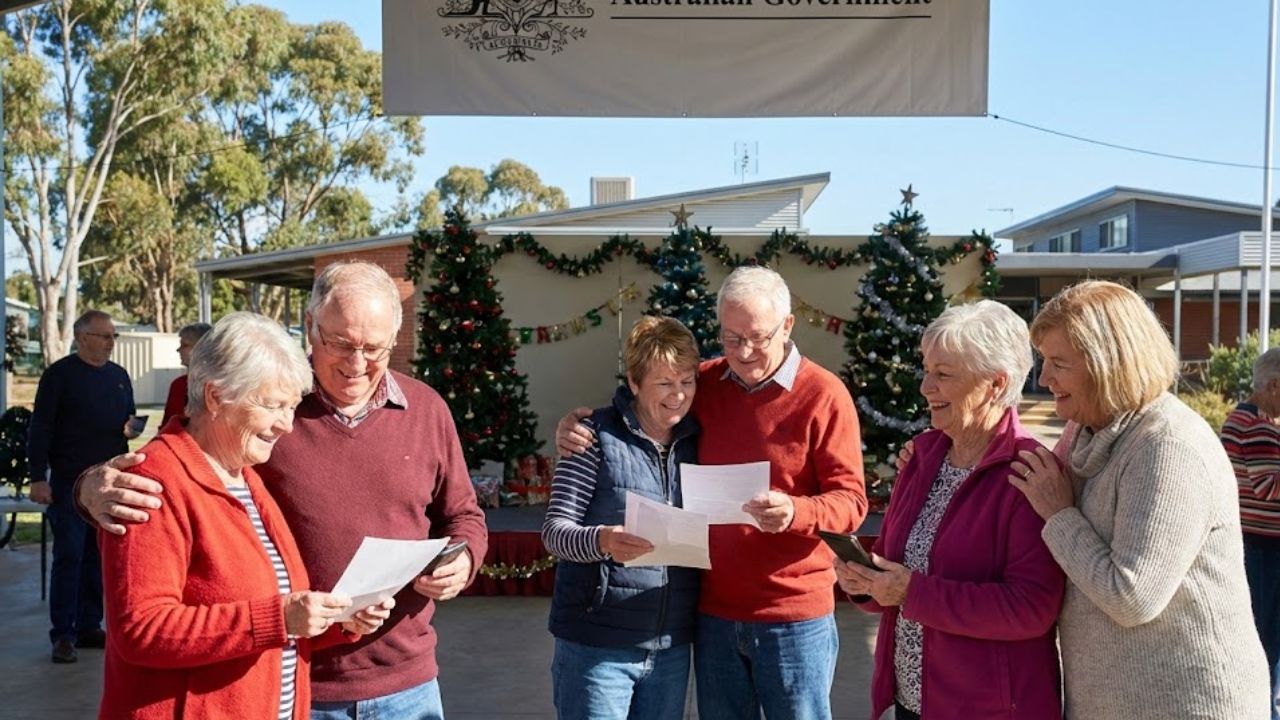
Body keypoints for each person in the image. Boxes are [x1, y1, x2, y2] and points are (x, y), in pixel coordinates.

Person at [78, 261, 489, 720]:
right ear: (311, 326)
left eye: (374, 349)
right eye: (341, 344)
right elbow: (145, 621)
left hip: (393, 680)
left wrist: (459, 560)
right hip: (291, 689)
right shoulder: (210, 454)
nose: (357, 364)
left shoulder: (251, 471)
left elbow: (463, 515)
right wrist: (85, 488)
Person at [559, 266, 866, 719]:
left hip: (793, 619)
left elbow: (853, 503)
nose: (743, 352)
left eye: (756, 338)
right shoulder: (704, 384)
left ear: (787, 325)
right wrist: (577, 428)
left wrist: (795, 512)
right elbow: (645, 398)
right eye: (730, 337)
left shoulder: (824, 395)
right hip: (713, 616)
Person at [98, 312, 392, 719]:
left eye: (291, 407)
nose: (286, 425)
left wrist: (339, 619)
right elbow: (142, 631)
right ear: (217, 397)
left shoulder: (246, 477)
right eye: (273, 406)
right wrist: (280, 618)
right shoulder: (153, 482)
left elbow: (266, 616)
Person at [1011, 280, 1269, 719]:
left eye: (1058, 363)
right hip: (1120, 701)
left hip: (1186, 704)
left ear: (1107, 365)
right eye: (1043, 361)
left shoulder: (1167, 446)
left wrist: (1059, 514)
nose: (1044, 378)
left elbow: (1131, 597)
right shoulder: (1088, 432)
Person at [835, 301, 1065, 720]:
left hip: (989, 709)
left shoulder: (1029, 472)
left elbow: (1031, 608)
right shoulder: (923, 457)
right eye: (926, 369)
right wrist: (863, 582)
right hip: (913, 701)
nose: (925, 386)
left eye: (943, 374)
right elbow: (894, 567)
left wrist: (912, 592)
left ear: (995, 384)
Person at [542, 316, 702, 720]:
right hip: (598, 648)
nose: (679, 396)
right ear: (633, 382)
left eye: (687, 381)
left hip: (670, 646)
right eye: (664, 383)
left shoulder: (697, 441)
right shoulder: (593, 437)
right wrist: (603, 541)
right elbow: (554, 532)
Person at [27, 309, 143, 664]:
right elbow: (41, 427)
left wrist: (132, 429)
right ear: (82, 338)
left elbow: (129, 419)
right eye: (105, 336)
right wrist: (37, 478)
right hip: (68, 483)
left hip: (107, 481)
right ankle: (63, 634)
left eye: (113, 337)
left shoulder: (119, 376)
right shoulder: (59, 375)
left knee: (99, 557)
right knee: (70, 556)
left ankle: (90, 625)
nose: (111, 343)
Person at [1220, 346, 1280, 719]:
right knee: (1267, 642)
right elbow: (1269, 486)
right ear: (1274, 385)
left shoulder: (1244, 418)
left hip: (1255, 546)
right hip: (1264, 551)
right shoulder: (1256, 425)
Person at [160, 322, 212, 426]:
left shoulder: (222, 385)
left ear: (201, 348)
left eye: (185, 345)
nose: (178, 350)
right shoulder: (179, 385)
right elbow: (167, 426)